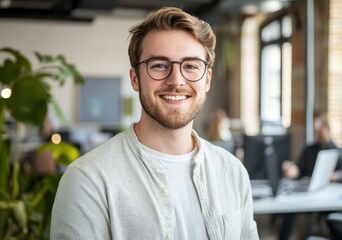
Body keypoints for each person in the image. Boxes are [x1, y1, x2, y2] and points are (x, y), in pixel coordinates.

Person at [50, 6, 259, 240]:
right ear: (135, 79)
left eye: (190, 66)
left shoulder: (232, 171)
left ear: (207, 79)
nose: (176, 80)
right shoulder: (88, 179)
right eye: (159, 65)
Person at [278, 111, 342, 240]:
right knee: (289, 213)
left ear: (326, 128)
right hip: (307, 195)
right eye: (316, 130)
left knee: (334, 223)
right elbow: (298, 170)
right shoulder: (309, 150)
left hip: (328, 197)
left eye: (319, 129)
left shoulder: (337, 151)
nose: (317, 133)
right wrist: (292, 171)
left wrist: (331, 176)